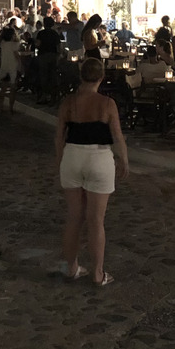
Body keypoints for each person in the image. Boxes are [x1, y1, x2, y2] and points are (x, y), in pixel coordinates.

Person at [56, 57, 129, 286]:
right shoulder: (107, 104)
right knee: (96, 220)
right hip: (99, 158)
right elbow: (117, 137)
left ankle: (72, 268)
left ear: (81, 75)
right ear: (101, 77)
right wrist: (124, 160)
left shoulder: (68, 102)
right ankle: (98, 274)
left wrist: (61, 160)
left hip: (73, 156)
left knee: (74, 217)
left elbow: (59, 136)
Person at [34, 16, 63, 104]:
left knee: (43, 76)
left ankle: (44, 95)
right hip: (53, 55)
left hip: (43, 55)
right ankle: (53, 96)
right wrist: (59, 55)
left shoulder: (41, 33)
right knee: (52, 75)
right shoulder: (55, 33)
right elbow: (59, 46)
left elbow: (38, 44)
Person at [0, 21, 22, 113]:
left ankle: (1, 106)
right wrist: (21, 66)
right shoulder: (15, 45)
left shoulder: (3, 44)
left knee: (3, 89)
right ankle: (11, 108)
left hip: (4, 67)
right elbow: (17, 56)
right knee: (12, 90)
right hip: (13, 68)